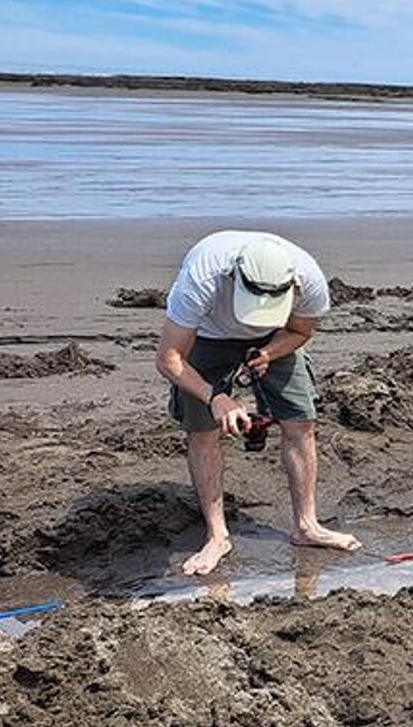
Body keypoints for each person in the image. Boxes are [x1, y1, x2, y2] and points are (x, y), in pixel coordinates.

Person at [154, 231, 360, 575]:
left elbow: (300, 331)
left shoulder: (308, 279)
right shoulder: (201, 279)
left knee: (300, 419)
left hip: (274, 337)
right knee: (203, 428)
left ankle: (307, 525)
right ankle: (217, 535)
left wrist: (268, 353)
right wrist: (215, 397)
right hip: (207, 334)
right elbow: (169, 359)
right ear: (232, 278)